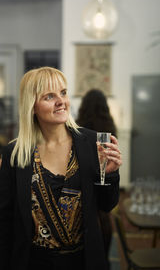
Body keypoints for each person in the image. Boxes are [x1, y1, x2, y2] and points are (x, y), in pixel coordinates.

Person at [0, 67, 122, 270]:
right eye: (49, 96)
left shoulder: (92, 143)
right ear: (32, 106)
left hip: (83, 261)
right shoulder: (15, 154)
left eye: (63, 92)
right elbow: (3, 222)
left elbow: (106, 205)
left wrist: (110, 174)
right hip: (33, 262)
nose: (61, 101)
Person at [76, 89, 118, 269]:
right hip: (102, 176)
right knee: (104, 216)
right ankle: (104, 261)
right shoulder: (109, 125)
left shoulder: (78, 126)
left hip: (82, 178)